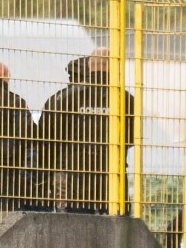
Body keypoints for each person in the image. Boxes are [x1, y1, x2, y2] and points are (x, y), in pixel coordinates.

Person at [38, 48, 136, 214]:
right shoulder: (126, 99)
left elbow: (45, 139)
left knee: (70, 230)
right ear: (114, 67)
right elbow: (131, 138)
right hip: (111, 180)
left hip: (70, 180)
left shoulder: (63, 98)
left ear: (89, 65)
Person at [0, 61, 37, 211]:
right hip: (8, 168)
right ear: (5, 78)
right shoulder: (14, 101)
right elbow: (27, 133)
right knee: (6, 212)